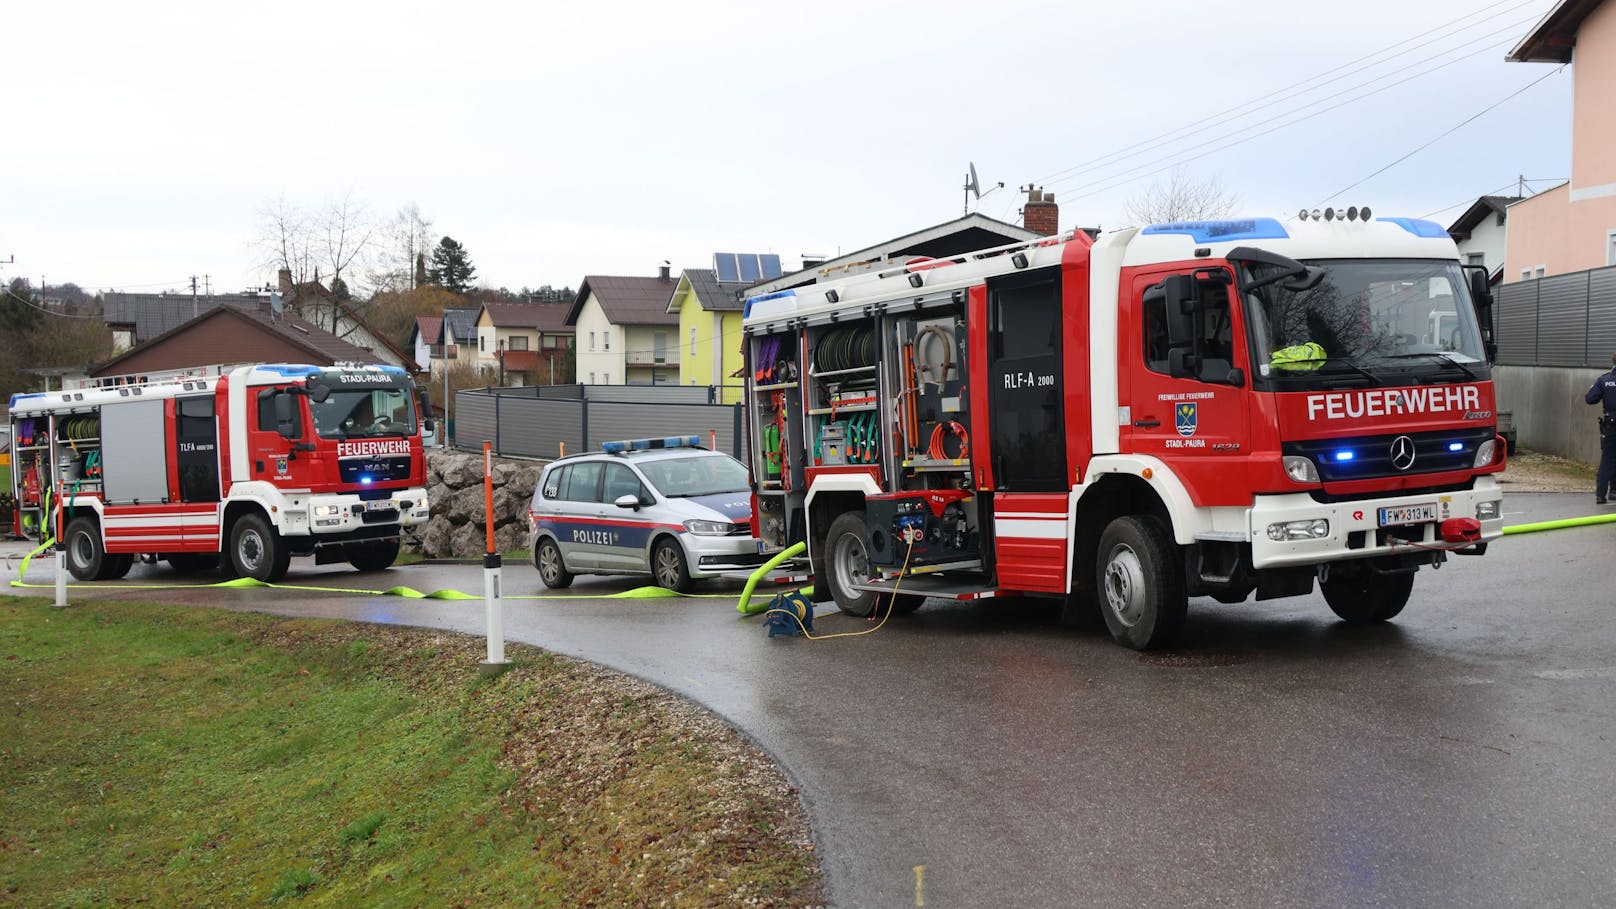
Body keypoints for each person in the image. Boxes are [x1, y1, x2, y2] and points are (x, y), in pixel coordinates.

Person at [1586, 352, 1616, 504]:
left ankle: (1601, 494)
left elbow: (1590, 399)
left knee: (1608, 459)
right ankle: (1614, 491)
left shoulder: (1604, 380)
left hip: (1611, 426)